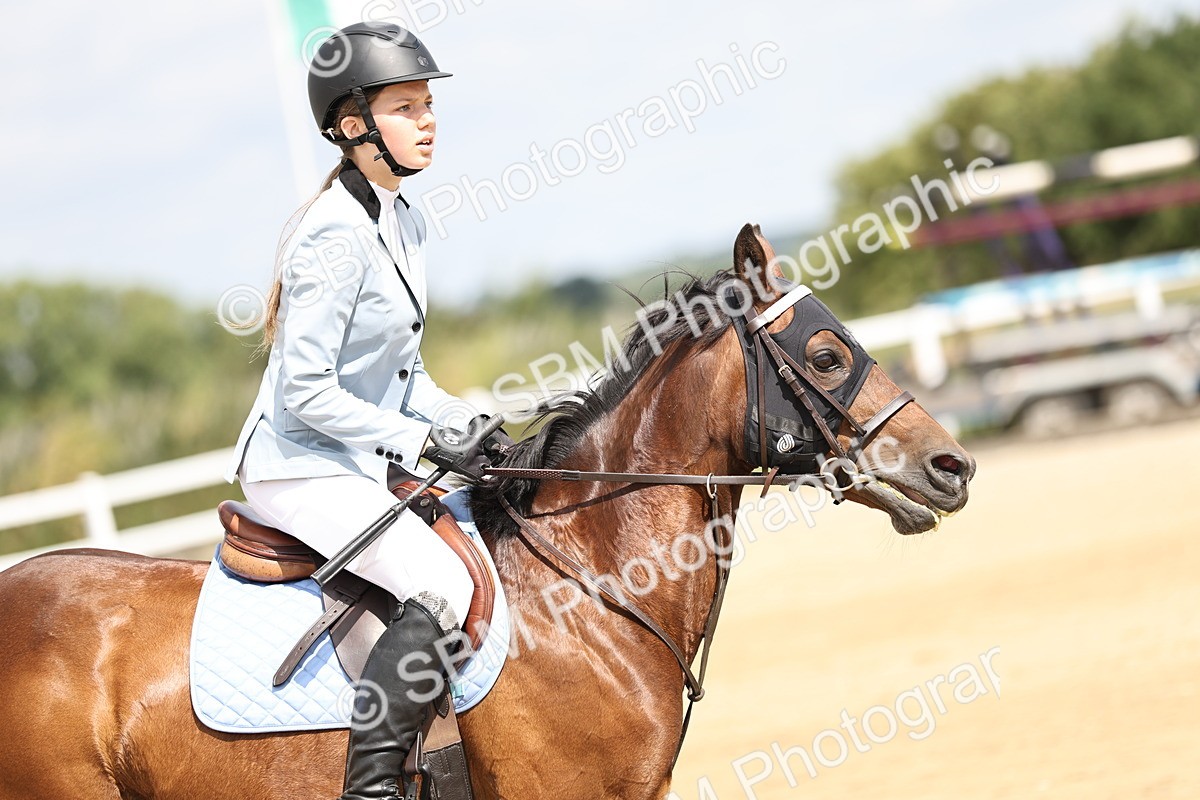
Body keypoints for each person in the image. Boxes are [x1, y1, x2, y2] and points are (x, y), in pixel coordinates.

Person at [222, 21, 508, 800]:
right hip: (297, 465)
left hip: (351, 458)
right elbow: (307, 393)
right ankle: (372, 788)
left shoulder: (402, 217)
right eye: (407, 107)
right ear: (354, 126)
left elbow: (403, 372)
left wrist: (463, 422)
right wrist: (420, 438)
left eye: (428, 105)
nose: (427, 120)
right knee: (441, 586)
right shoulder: (334, 235)